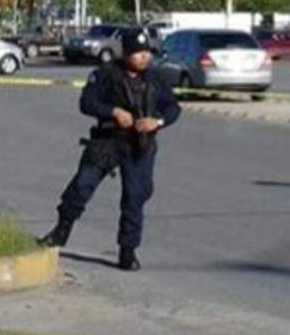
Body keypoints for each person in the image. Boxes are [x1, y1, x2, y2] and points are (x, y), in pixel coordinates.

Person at [38, 27, 182, 270]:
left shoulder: (156, 78)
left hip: (139, 144)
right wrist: (113, 112)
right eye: (138, 52)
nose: (144, 57)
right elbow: (87, 102)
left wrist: (157, 122)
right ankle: (60, 232)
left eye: (147, 52)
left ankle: (128, 251)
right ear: (126, 53)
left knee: (135, 197)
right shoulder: (105, 75)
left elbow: (173, 108)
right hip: (107, 141)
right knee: (81, 187)